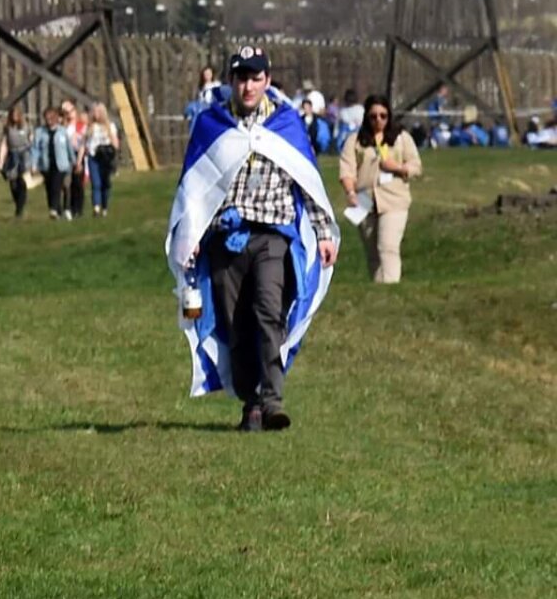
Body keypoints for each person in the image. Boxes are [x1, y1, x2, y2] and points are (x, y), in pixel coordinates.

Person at [168, 47, 340, 432]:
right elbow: (194, 187)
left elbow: (306, 180)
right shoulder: (211, 124)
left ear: (267, 80)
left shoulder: (286, 124)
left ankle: (273, 399)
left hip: (272, 236)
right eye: (242, 78)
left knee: (268, 311)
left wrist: (324, 232)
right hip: (226, 239)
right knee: (234, 323)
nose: (248, 86)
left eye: (256, 78)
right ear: (231, 80)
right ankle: (250, 401)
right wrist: (191, 233)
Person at [337, 95, 422, 284]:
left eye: (383, 116)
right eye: (373, 116)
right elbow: (347, 170)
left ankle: (391, 287)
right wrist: (350, 192)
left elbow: (416, 166)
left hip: (394, 201)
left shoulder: (401, 138)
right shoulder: (355, 140)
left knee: (388, 247)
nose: (378, 120)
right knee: (373, 252)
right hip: (364, 201)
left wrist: (398, 168)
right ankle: (378, 292)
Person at [32, 106, 77, 219]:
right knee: (49, 188)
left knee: (57, 185)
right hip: (47, 164)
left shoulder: (62, 132)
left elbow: (69, 148)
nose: (49, 120)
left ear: (56, 118)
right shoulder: (40, 132)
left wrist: (74, 162)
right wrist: (34, 164)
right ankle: (56, 210)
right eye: (47, 118)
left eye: (51, 118)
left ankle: (54, 209)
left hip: (61, 164)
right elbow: (35, 149)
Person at [0, 105, 32, 219]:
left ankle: (20, 208)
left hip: (24, 154)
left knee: (21, 180)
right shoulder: (8, 128)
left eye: (16, 115)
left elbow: (31, 141)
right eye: (12, 115)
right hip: (12, 154)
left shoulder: (27, 126)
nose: (14, 117)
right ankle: (17, 201)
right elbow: (4, 144)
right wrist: (1, 160)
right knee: (13, 182)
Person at [84, 103, 120, 217]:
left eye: (98, 112)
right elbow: (84, 143)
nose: (96, 114)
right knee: (96, 182)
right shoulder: (90, 127)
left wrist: (111, 149)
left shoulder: (110, 126)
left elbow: (115, 143)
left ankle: (104, 206)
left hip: (105, 157)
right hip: (93, 156)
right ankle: (96, 206)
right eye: (94, 112)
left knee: (105, 183)